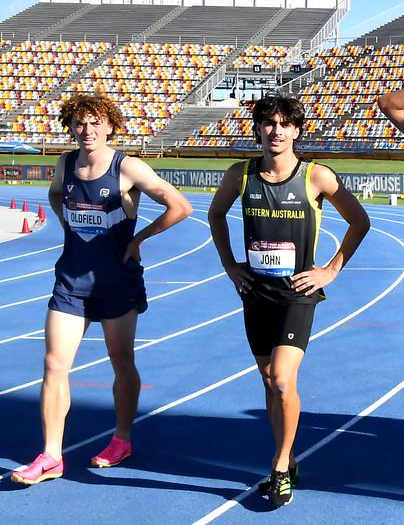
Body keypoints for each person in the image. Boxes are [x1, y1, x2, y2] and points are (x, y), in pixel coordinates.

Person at [11, 94, 193, 486]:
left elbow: (180, 206)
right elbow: (56, 195)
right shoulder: (64, 164)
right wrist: (68, 225)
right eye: (79, 123)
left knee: (121, 362)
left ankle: (121, 439)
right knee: (53, 365)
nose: (87, 130)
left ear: (110, 126)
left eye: (95, 123)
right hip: (71, 282)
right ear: (70, 127)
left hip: (116, 284)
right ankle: (51, 455)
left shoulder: (127, 167)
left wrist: (139, 238)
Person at [208, 95, 369, 507]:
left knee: (282, 378)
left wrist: (330, 270)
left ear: (297, 130)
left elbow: (359, 220)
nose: (275, 131)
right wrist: (230, 265)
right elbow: (215, 215)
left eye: (284, 124)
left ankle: (280, 468)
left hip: (297, 293)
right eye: (268, 123)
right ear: (258, 129)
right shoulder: (240, 175)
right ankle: (290, 454)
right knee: (269, 383)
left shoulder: (316, 176)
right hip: (255, 292)